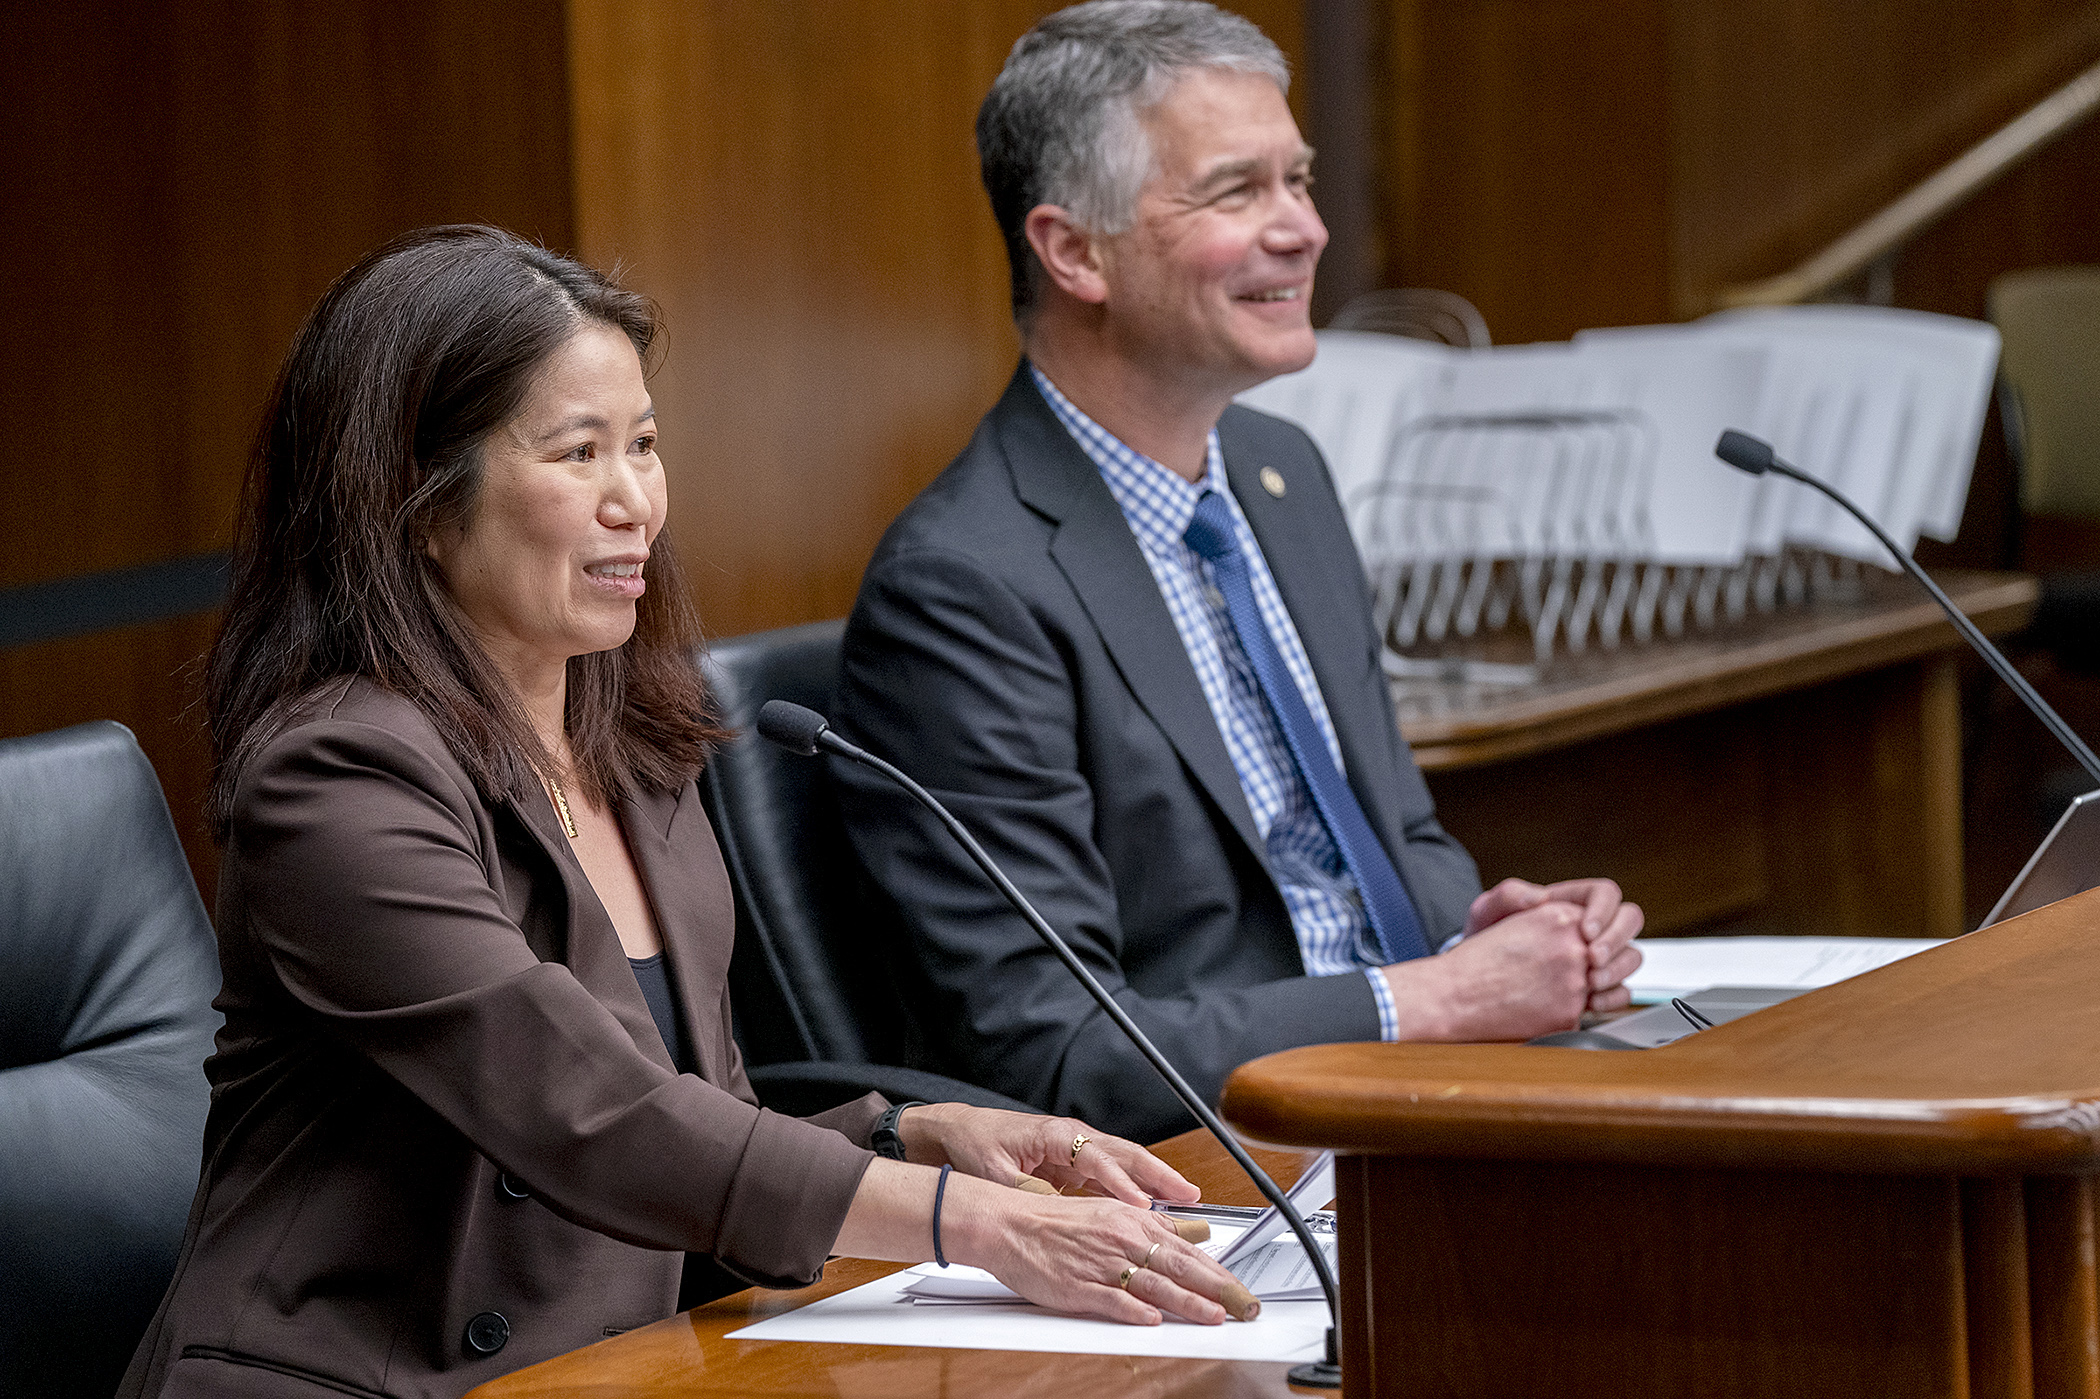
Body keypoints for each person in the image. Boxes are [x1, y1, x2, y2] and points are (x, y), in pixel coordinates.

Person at [119, 226, 1244, 1399]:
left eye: (645, 446)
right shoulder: (335, 775)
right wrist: (968, 1223)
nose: (635, 502)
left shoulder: (634, 743)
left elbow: (698, 1116)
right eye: (579, 452)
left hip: (616, 1365)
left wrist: (908, 1133)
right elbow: (586, 1112)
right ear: (418, 498)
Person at [833, 1, 1645, 1144]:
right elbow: (1047, 1048)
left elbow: (1392, 833)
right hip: (1223, 1169)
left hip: (1417, 1103)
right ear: (1073, 251)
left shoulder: (1282, 473)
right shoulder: (964, 586)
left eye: (1299, 181)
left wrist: (1483, 933)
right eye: (1236, 191)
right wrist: (1438, 998)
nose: (1304, 230)